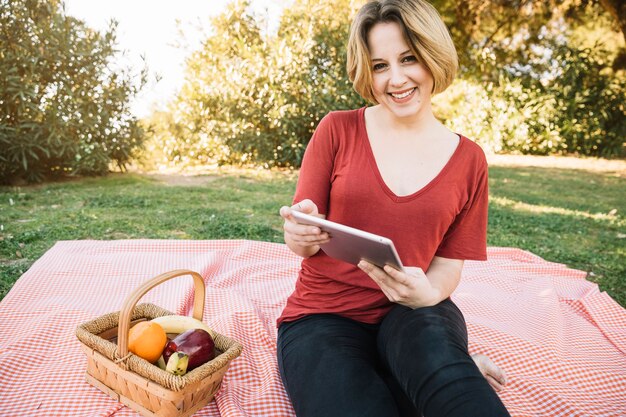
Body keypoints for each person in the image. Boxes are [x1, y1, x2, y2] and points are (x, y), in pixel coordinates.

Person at [276, 0, 510, 416]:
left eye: (408, 59)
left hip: (414, 310)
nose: (396, 79)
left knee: (455, 391)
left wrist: (430, 293)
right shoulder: (337, 129)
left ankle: (445, 370)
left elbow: (449, 263)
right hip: (322, 316)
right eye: (380, 65)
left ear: (433, 56)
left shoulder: (469, 159)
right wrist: (299, 233)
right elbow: (304, 238)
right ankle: (408, 376)